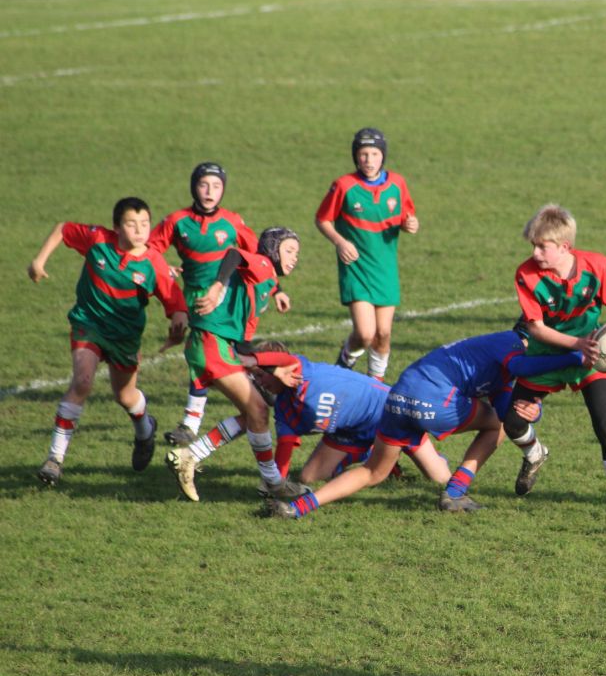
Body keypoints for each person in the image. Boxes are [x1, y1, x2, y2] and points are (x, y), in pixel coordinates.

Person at [266, 327, 576, 518]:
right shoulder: (510, 343)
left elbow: (510, 406)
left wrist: (533, 412)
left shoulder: (500, 364)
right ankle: (455, 493)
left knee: (373, 472)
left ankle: (297, 509)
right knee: (496, 426)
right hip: (430, 400)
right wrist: (574, 358)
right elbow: (522, 365)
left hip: (397, 397)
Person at [27, 197, 188, 486]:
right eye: (131, 223)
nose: (140, 229)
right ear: (116, 226)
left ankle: (144, 429)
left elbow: (175, 302)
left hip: (124, 337)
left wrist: (179, 320)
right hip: (88, 324)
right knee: (82, 381)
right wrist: (39, 260)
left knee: (125, 397)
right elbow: (63, 229)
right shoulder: (98, 240)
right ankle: (55, 459)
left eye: (145, 224)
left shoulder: (154, 262)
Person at [502, 204, 606, 520]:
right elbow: (536, 328)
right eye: (533, 245)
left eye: (542, 246)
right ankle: (534, 453)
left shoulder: (598, 267)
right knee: (512, 422)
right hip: (546, 356)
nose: (535, 252)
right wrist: (576, 344)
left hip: (589, 358)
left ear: (565, 246)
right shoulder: (527, 274)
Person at [164, 227, 308, 502]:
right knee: (258, 410)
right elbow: (233, 254)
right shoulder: (263, 264)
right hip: (211, 342)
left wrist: (268, 368)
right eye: (289, 250)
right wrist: (218, 284)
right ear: (273, 249)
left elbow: (243, 346)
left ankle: (190, 456)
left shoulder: (262, 286)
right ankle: (274, 484)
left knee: (252, 415)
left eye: (297, 253)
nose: (294, 258)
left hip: (217, 344)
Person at [148, 162, 284, 446]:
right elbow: (150, 249)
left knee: (225, 350)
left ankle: (260, 382)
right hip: (198, 299)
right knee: (200, 352)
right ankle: (191, 423)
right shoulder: (177, 220)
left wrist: (277, 289)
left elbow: (257, 257)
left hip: (230, 297)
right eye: (204, 185)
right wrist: (163, 266)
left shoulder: (232, 221)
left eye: (217, 186)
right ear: (194, 186)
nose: (210, 191)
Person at [244, 340, 447, 485]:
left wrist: (252, 359)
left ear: (282, 368)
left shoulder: (303, 372)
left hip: (389, 413)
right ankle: (371, 454)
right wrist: (276, 487)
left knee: (440, 479)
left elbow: (284, 359)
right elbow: (284, 453)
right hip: (350, 433)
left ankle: (393, 453)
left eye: (262, 375)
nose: (260, 383)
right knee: (309, 478)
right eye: (256, 378)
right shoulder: (283, 411)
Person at [316, 127, 418, 381]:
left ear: (382, 156)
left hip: (385, 269)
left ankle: (375, 387)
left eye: (374, 154)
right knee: (365, 333)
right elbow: (322, 219)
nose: (369, 160)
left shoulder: (397, 184)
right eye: (363, 154)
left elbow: (407, 215)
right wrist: (340, 242)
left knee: (383, 333)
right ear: (356, 156)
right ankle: (344, 363)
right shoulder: (344, 186)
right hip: (356, 268)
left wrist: (410, 224)